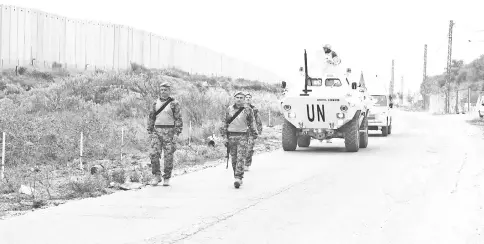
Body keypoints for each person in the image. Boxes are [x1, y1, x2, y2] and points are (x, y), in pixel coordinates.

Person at [146, 82, 183, 186]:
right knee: (153, 154)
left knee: (168, 156)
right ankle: (156, 176)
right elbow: (151, 118)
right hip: (156, 132)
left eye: (165, 90)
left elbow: (178, 119)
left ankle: (166, 177)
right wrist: (150, 131)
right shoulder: (155, 103)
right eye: (161, 90)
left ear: (169, 91)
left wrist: (177, 133)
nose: (163, 92)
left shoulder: (174, 103)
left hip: (169, 133)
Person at [221, 91, 258, 189]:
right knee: (234, 159)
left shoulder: (248, 110)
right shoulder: (229, 109)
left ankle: (238, 177)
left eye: (241, 97)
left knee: (241, 157)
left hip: (243, 136)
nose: (239, 99)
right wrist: (224, 137)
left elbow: (252, 122)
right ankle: (236, 176)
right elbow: (224, 123)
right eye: (237, 97)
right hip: (231, 137)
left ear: (244, 99)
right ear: (234, 98)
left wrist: (254, 134)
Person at [244, 92, 263, 171]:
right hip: (241, 131)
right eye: (246, 97)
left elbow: (258, 120)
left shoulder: (254, 109)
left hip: (251, 131)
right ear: (244, 99)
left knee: (250, 148)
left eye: (249, 97)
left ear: (251, 99)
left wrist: (259, 130)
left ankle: (247, 164)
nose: (248, 98)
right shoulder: (240, 108)